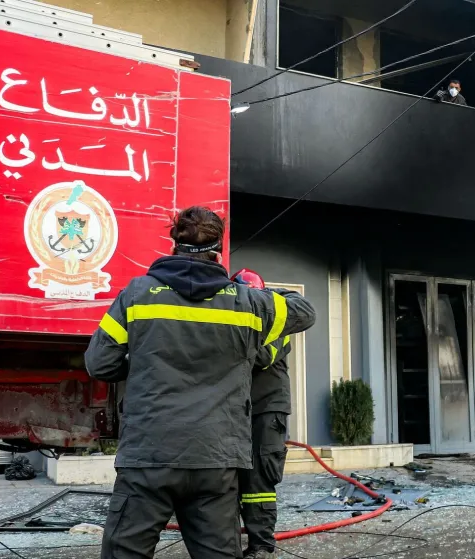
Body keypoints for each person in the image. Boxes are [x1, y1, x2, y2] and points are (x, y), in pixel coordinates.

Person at [84, 206, 316, 559]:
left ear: (173, 244)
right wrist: (254, 291)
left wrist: (142, 362)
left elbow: (99, 363)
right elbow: (305, 310)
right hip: (216, 459)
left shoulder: (138, 294)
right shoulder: (248, 304)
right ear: (219, 250)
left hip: (149, 455)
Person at [233, 268, 294, 559]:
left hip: (267, 409)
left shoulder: (276, 323)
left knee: (259, 479)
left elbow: (263, 356)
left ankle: (261, 545)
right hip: (236, 411)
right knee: (230, 476)